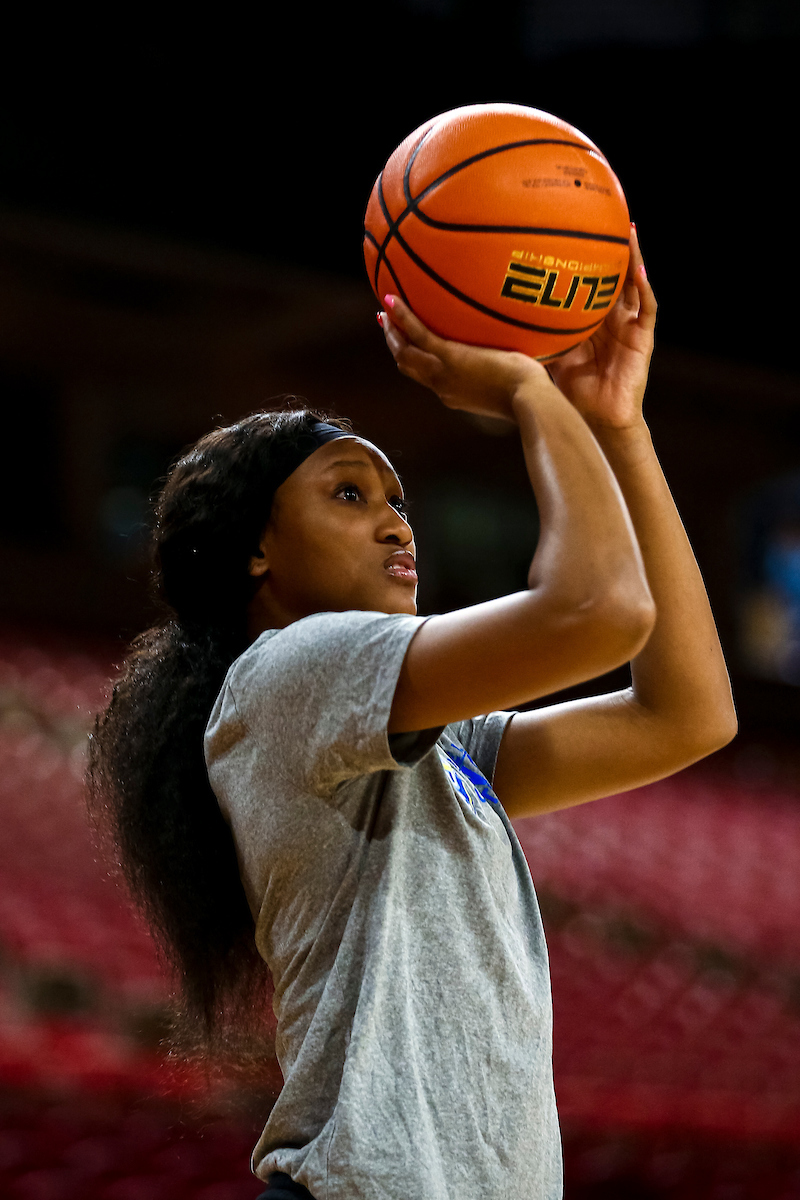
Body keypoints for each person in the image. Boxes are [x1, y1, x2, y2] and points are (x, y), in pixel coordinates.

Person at [88, 228, 737, 1200]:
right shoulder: (289, 672)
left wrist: (616, 427)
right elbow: (599, 611)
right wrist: (529, 394)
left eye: (397, 498)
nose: (396, 521)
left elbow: (686, 716)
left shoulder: (423, 747)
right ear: (254, 552)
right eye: (348, 494)